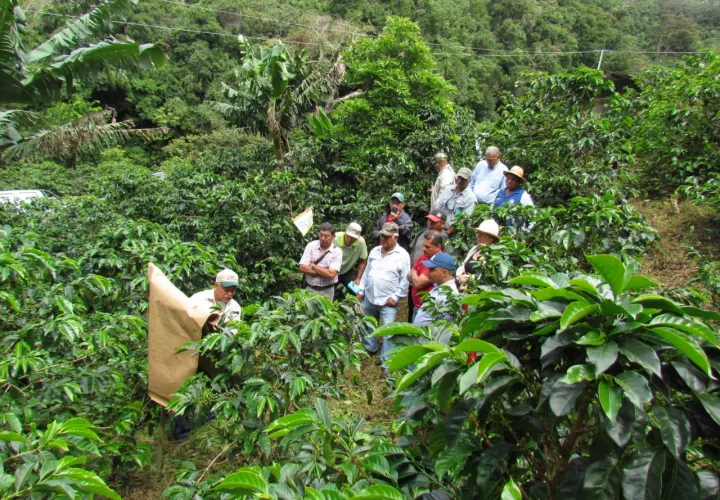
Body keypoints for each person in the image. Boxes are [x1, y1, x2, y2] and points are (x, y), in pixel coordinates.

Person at [358, 222, 411, 378]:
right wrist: (361, 289)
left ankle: (386, 362)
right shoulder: (374, 251)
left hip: (388, 300)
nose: (384, 240)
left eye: (387, 237)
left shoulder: (402, 255)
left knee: (388, 332)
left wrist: (396, 297)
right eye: (382, 236)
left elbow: (405, 279)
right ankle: (370, 348)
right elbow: (367, 271)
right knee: (368, 323)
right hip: (370, 295)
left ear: (396, 237)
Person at [298, 222, 343, 300]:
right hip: (310, 289)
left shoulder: (337, 252)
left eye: (326, 236)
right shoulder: (311, 246)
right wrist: (325, 270)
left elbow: (331, 274)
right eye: (321, 235)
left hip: (327, 291)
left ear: (333, 237)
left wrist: (314, 267)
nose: (322, 238)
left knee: (325, 312)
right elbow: (302, 267)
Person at [413, 253, 459, 327]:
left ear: (444, 272)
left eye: (432, 270)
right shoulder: (439, 286)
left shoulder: (448, 296)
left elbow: (444, 328)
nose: (428, 273)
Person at [408, 231, 444, 323]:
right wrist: (414, 273)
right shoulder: (424, 256)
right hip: (417, 306)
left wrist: (414, 271)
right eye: (424, 245)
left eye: (427, 247)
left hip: (427, 309)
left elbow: (418, 283)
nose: (424, 249)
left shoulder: (438, 262)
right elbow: (408, 276)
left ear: (438, 247)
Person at [456, 219, 500, 291]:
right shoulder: (474, 249)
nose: (478, 236)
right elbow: (463, 266)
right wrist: (461, 278)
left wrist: (469, 279)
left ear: (492, 238)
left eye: (482, 234)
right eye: (478, 233)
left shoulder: (493, 254)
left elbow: (487, 276)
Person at [434, 167, 476, 235]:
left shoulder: (470, 199)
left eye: (463, 179)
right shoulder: (448, 190)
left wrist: (447, 234)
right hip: (439, 228)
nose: (459, 180)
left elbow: (463, 221)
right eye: (459, 177)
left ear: (469, 180)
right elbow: (438, 207)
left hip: (454, 235)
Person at [334, 222, 368, 297]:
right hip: (332, 271)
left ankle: (355, 307)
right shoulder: (335, 238)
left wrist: (358, 278)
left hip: (347, 271)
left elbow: (363, 260)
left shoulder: (361, 242)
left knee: (357, 291)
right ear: (345, 231)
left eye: (353, 238)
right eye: (348, 236)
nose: (349, 239)